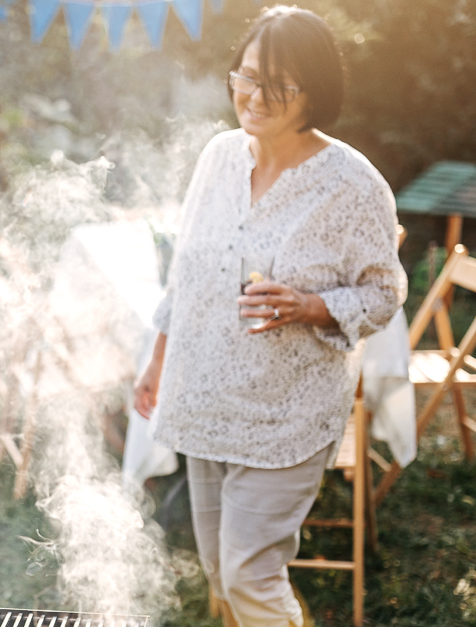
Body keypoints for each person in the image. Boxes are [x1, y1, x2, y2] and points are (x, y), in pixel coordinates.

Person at [132, 7, 406, 627]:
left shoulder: (352, 184)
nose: (255, 96)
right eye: (246, 77)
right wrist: (158, 360)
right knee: (220, 574)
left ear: (316, 90)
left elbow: (385, 294)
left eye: (279, 84)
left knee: (251, 577)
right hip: (204, 394)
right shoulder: (220, 156)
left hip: (287, 412)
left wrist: (311, 306)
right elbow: (189, 272)